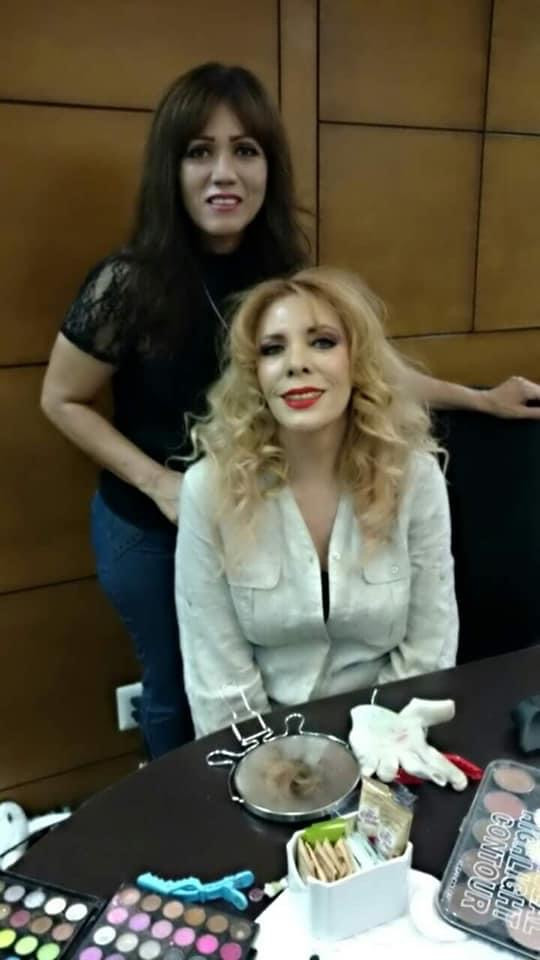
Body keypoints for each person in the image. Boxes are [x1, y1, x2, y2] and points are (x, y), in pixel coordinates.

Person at [41, 62, 540, 758]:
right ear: (171, 170)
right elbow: (61, 398)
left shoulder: (285, 272)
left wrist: (480, 399)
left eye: (244, 151)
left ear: (268, 167)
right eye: (199, 152)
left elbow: (372, 371)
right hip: (154, 513)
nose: (224, 173)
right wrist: (162, 486)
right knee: (179, 688)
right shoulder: (126, 284)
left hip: (268, 492)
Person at [175, 267, 459, 737]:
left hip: (393, 729)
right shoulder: (207, 489)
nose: (296, 364)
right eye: (272, 349)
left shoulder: (415, 476)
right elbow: (217, 675)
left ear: (357, 361)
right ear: (254, 375)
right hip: (267, 741)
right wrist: (272, 763)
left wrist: (383, 742)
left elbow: (431, 642)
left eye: (322, 342)